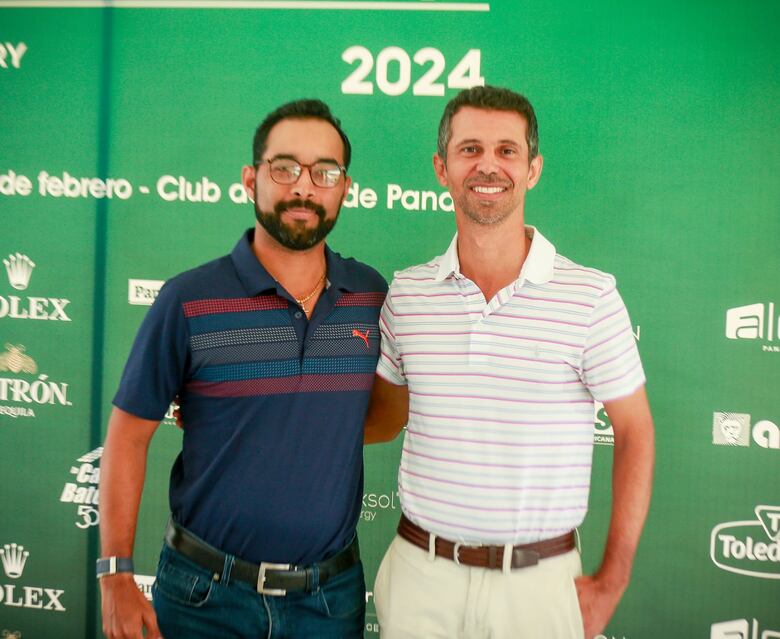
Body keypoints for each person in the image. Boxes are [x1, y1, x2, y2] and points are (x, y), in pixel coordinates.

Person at [365, 86, 654, 639]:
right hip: (419, 576)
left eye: (507, 150)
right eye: (469, 149)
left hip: (538, 586)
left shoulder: (590, 296)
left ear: (532, 169)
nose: (488, 165)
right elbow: (384, 417)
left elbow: (635, 430)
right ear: (441, 168)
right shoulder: (407, 294)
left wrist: (613, 579)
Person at [98, 99, 387, 639]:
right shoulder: (188, 299)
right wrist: (114, 574)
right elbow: (128, 435)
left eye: (325, 172)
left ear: (344, 188)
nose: (304, 187)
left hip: (329, 601)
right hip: (203, 597)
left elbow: (376, 416)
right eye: (285, 168)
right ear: (251, 179)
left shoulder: (370, 296)